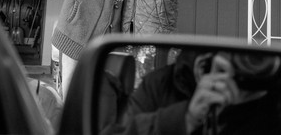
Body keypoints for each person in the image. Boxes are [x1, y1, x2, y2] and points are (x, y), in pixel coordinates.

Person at [102, 49, 281, 135]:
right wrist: (186, 118)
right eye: (233, 65)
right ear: (206, 64)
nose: (243, 73)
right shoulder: (162, 84)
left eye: (258, 64)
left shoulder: (272, 103)